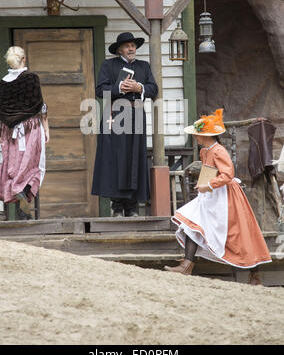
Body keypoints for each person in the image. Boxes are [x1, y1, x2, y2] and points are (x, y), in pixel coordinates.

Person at [164, 108, 272, 285]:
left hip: (225, 197)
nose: (196, 137)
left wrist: (209, 185)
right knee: (192, 222)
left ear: (206, 135)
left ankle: (255, 274)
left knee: (239, 234)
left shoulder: (218, 150)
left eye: (198, 134)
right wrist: (203, 185)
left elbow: (228, 174)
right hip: (210, 195)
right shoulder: (205, 151)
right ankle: (187, 266)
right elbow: (209, 171)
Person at [91, 32, 158, 217]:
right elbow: (100, 90)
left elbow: (153, 88)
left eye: (133, 46)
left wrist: (140, 88)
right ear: (120, 49)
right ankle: (117, 207)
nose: (131, 49)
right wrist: (119, 88)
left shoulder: (143, 67)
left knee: (134, 157)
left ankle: (132, 207)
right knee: (116, 159)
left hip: (136, 115)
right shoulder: (109, 65)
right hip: (115, 115)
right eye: (127, 46)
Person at [0, 46, 49, 219]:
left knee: (14, 167)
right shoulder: (31, 78)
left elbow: (0, 112)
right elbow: (40, 106)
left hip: (9, 132)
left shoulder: (4, 81)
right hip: (30, 128)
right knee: (34, 165)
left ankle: (19, 211)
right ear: (24, 59)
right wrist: (46, 128)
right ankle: (22, 190)